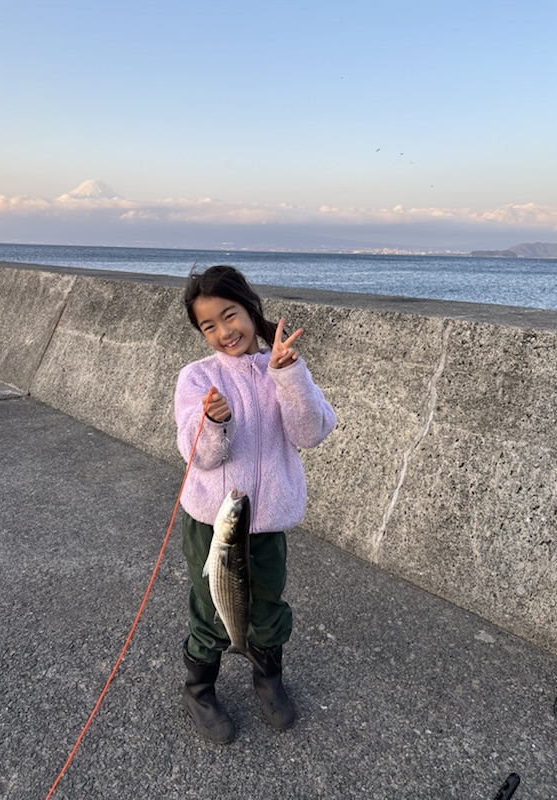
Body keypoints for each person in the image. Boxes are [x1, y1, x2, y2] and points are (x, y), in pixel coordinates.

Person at [174, 265, 336, 744]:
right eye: (209, 325)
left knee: (267, 604)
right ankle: (199, 689)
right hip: (213, 526)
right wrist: (214, 421)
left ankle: (268, 679)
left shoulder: (280, 370)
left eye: (230, 315)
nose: (224, 332)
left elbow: (311, 432)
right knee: (211, 607)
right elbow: (201, 455)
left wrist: (289, 375)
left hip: (264, 526)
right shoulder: (198, 378)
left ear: (250, 309)